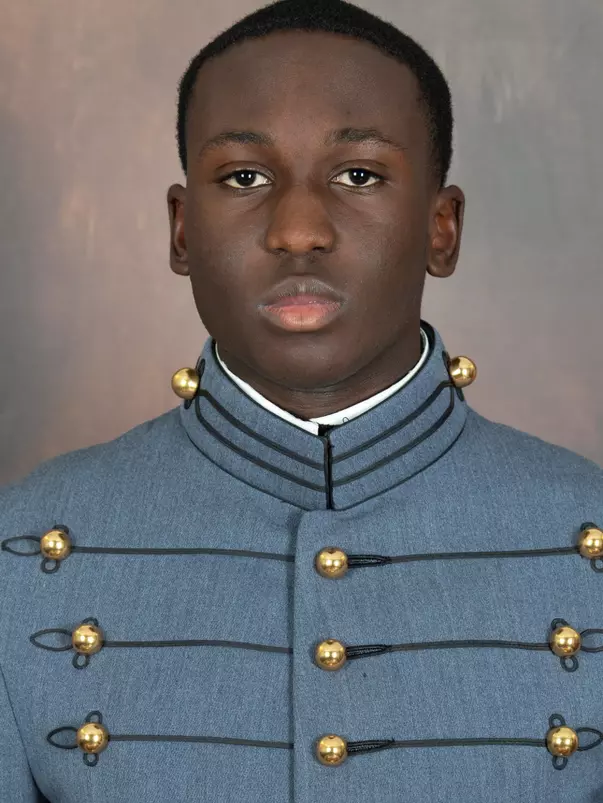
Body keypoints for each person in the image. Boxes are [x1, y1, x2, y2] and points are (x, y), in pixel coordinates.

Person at [1, 0, 602, 800]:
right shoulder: (26, 549)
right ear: (181, 231)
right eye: (244, 178)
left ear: (440, 228)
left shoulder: (585, 538)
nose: (296, 229)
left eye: (358, 175)